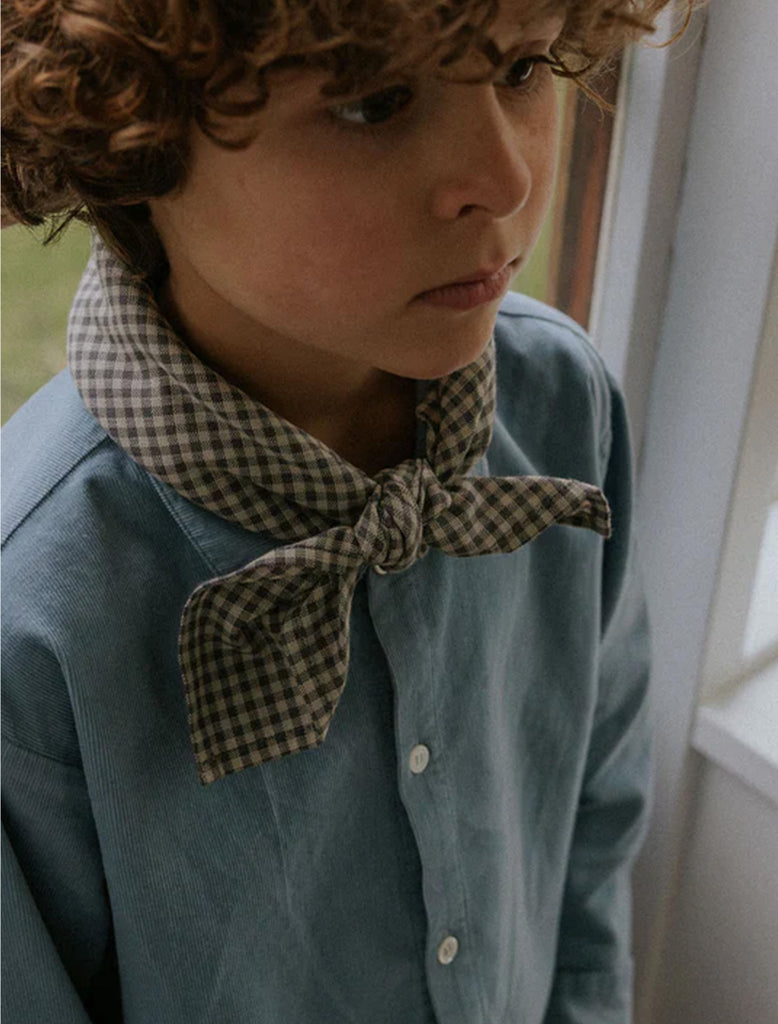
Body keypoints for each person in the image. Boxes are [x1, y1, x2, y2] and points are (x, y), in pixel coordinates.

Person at [1, 1, 689, 1021]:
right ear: (131, 131)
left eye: (523, 69)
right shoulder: (36, 605)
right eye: (375, 103)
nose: (505, 179)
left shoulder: (562, 406)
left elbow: (596, 799)